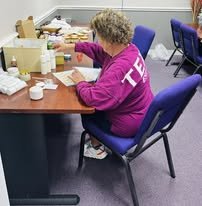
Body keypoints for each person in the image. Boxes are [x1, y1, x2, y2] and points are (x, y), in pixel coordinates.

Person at [54, 9, 154, 159]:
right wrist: (71, 46)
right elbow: (98, 50)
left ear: (109, 40)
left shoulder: (120, 68)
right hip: (142, 110)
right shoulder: (129, 48)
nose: (98, 41)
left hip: (127, 124)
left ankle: (96, 148)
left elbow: (93, 98)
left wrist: (80, 82)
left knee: (86, 108)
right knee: (92, 90)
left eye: (99, 37)